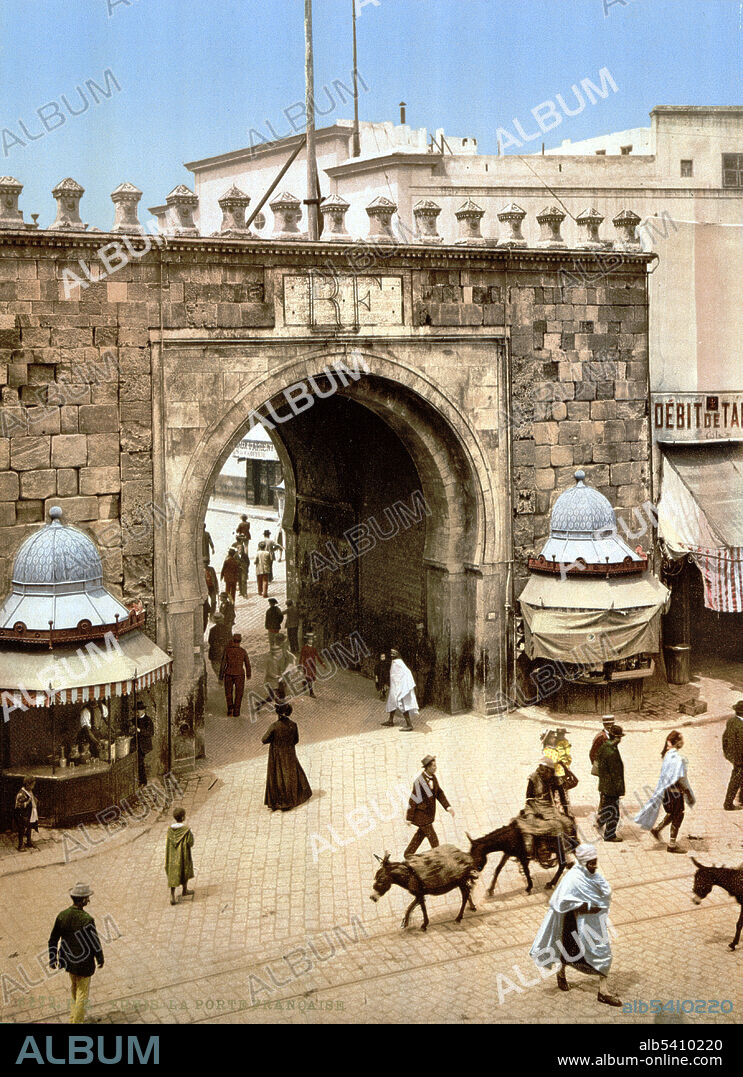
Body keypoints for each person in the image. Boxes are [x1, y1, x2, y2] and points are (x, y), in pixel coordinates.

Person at [529, 844, 622, 1007]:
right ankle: (561, 974)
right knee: (567, 949)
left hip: (594, 923)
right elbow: (560, 901)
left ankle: (603, 992)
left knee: (603, 953)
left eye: (595, 862)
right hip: (574, 922)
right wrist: (586, 906)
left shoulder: (596, 875)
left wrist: (600, 901)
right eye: (591, 863)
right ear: (584, 862)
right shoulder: (573, 878)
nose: (594, 866)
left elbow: (604, 892)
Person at [48, 882, 104, 1024]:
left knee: (74, 988)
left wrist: (52, 958)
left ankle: (73, 1017)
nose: (88, 900)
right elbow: (94, 942)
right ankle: (77, 1022)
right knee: (82, 993)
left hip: (68, 960)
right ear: (83, 900)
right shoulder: (87, 919)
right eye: (87, 898)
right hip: (84, 964)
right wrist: (100, 958)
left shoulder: (62, 915)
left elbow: (53, 939)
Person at [635, 730, 695, 853]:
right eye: (681, 740)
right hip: (675, 793)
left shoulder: (667, 754)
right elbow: (681, 779)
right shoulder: (678, 758)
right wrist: (688, 793)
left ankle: (657, 829)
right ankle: (672, 845)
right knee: (679, 814)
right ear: (676, 742)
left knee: (671, 813)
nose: (683, 742)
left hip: (665, 793)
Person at [519, 756, 573, 866]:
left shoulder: (553, 779)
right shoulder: (533, 778)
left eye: (549, 771)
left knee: (565, 824)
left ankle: (564, 853)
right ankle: (528, 853)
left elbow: (562, 796)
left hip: (548, 807)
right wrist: (535, 811)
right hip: (533, 806)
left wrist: (567, 811)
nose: (545, 772)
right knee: (530, 826)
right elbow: (529, 797)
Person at [261, 703, 312, 811]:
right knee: (292, 773)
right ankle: (295, 797)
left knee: (277, 776)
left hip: (277, 755)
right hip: (289, 753)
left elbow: (264, 739)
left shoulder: (274, 726)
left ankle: (280, 801)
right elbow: (296, 740)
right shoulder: (293, 725)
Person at [404, 754, 454, 858]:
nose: (436, 768)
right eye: (434, 766)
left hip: (428, 815)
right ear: (427, 767)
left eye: (436, 766)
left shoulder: (433, 777)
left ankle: (408, 854)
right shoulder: (419, 782)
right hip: (421, 816)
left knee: (420, 836)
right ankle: (439, 859)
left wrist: (448, 807)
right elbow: (413, 800)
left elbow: (439, 793)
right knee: (434, 840)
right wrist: (409, 818)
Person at [595, 724, 625, 842]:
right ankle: (609, 835)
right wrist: (620, 790)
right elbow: (616, 774)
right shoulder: (612, 752)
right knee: (614, 813)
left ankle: (600, 822)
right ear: (617, 738)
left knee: (608, 806)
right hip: (611, 787)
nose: (620, 739)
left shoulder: (604, 746)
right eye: (620, 737)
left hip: (604, 784)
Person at [382, 649, 418, 732]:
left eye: (393, 653)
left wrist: (404, 686)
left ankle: (409, 725)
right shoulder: (394, 662)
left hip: (400, 688)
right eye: (391, 653)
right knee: (392, 702)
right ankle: (390, 721)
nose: (391, 655)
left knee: (402, 704)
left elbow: (407, 673)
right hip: (394, 686)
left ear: (397, 654)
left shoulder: (399, 663)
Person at [165, 806, 194, 905]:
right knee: (185, 870)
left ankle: (172, 895)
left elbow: (168, 844)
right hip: (183, 855)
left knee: (173, 874)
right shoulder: (186, 830)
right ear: (182, 817)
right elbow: (191, 842)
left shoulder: (169, 830)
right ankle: (184, 890)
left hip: (172, 856)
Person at [219, 633, 252, 717]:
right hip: (240, 674)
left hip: (228, 674)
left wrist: (220, 676)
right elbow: (247, 664)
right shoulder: (243, 651)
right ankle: (236, 712)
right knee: (239, 693)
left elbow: (223, 664)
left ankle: (230, 710)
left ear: (232, 641)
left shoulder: (227, 651)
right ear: (240, 641)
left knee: (228, 693)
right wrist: (248, 674)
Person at [722, 700, 743, 811]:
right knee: (736, 780)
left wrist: (728, 754)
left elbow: (725, 739)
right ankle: (728, 804)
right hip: (740, 758)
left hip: (733, 756)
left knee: (740, 777)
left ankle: (742, 799)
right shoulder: (741, 726)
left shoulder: (731, 721)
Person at [412, 623, 436, 709]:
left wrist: (425, 664)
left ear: (423, 631)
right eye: (418, 631)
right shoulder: (416, 640)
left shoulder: (426, 641)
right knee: (416, 685)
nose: (419, 633)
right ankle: (417, 702)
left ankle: (420, 704)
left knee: (421, 686)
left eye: (420, 631)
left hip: (423, 667)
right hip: (416, 666)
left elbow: (431, 655)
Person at [14, 776, 39, 851]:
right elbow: (18, 805)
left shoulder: (29, 791)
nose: (33, 787)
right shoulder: (21, 794)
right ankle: (20, 845)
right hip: (22, 815)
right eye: (32, 785)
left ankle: (29, 842)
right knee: (22, 830)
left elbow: (32, 797)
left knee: (29, 827)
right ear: (28, 784)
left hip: (29, 814)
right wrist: (28, 802)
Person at [134, 701, 154, 786]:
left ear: (143, 711)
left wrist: (139, 730)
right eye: (136, 711)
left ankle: (143, 781)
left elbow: (150, 733)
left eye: (138, 711)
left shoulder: (148, 720)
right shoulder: (134, 719)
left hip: (144, 746)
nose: (137, 713)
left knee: (140, 762)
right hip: (137, 745)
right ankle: (139, 780)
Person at [299, 632, 325, 697]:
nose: (310, 641)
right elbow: (301, 657)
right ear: (307, 640)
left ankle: (304, 683)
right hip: (306, 665)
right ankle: (311, 692)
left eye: (311, 640)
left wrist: (322, 663)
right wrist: (300, 664)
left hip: (312, 665)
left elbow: (317, 656)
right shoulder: (304, 648)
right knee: (309, 678)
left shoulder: (314, 648)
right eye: (309, 640)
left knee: (310, 677)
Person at [207, 613, 230, 680]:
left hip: (215, 653)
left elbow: (210, 641)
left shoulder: (212, 630)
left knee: (216, 667)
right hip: (225, 652)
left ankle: (220, 679)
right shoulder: (227, 629)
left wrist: (217, 647)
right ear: (222, 619)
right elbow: (230, 640)